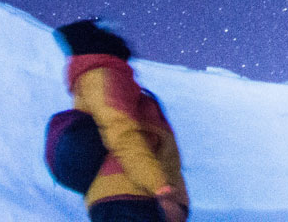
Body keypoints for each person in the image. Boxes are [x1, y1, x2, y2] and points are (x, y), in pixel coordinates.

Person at [54, 19, 189, 222]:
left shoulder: (108, 76)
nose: (118, 36)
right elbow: (122, 133)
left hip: (134, 198)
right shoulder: (104, 75)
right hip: (132, 199)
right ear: (100, 41)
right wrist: (162, 189)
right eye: (109, 32)